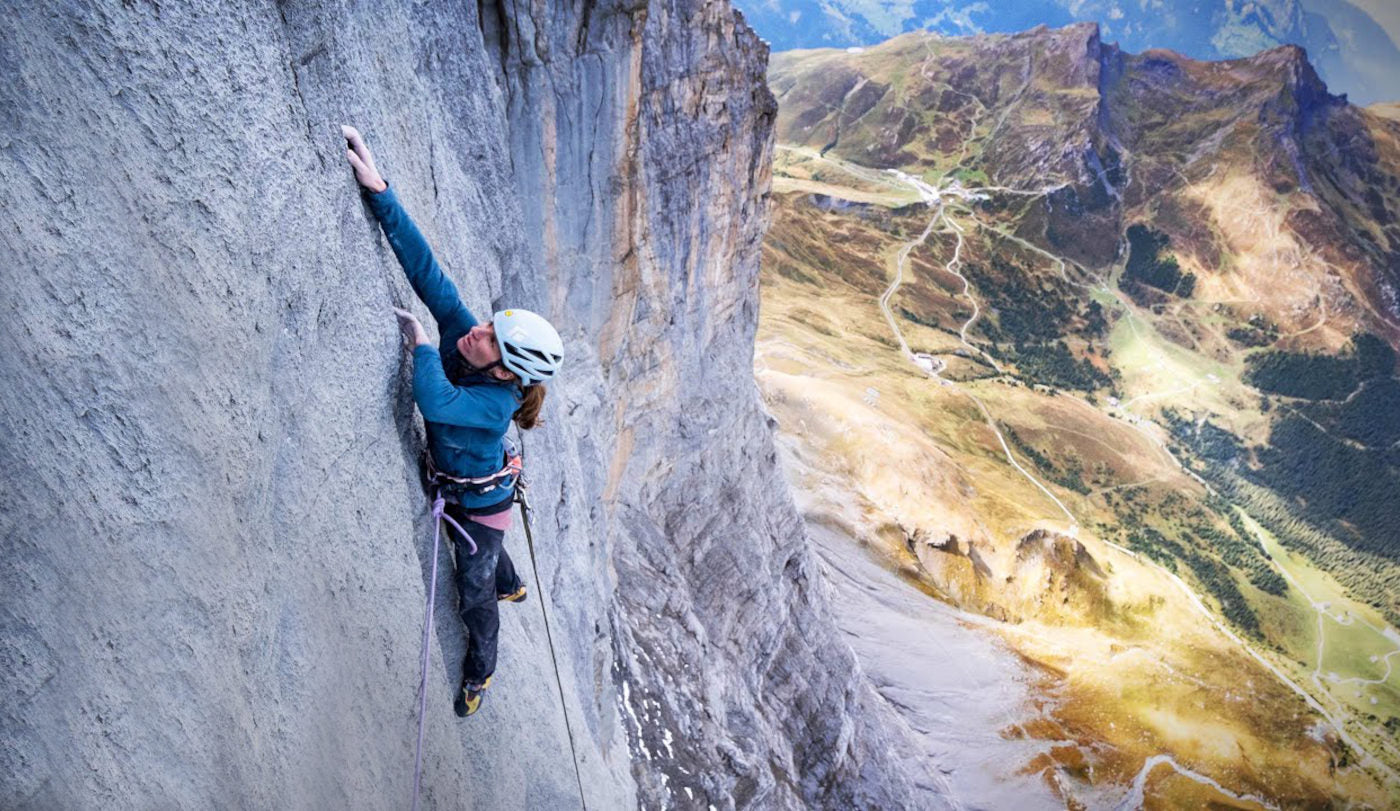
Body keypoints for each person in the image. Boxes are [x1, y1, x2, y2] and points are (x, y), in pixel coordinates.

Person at [342, 125, 564, 717]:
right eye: (488, 326)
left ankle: (480, 670)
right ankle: (510, 579)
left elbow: (436, 404)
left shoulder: (494, 408)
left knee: (473, 592)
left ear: (505, 372)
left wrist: (418, 342)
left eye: (491, 340)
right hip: (469, 485)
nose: (476, 331)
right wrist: (380, 189)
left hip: (480, 504)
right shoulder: (473, 345)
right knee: (487, 562)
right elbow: (429, 274)